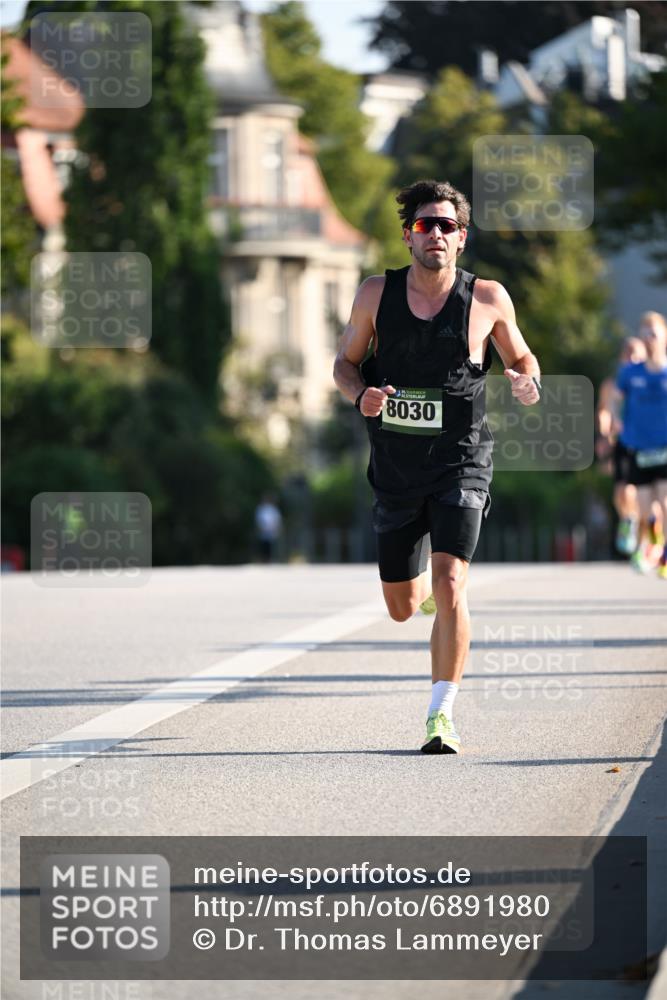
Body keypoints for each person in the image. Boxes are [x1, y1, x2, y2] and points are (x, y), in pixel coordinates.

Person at [333, 179, 540, 754]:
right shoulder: (376, 294)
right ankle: (419, 585)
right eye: (426, 225)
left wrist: (527, 379)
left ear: (462, 237)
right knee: (402, 608)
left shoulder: (488, 299)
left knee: (452, 584)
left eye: (447, 226)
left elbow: (520, 355)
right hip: (396, 471)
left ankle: (440, 715)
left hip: (461, 464)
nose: (437, 235)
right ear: (408, 235)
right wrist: (360, 396)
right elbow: (345, 364)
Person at [614, 311, 667, 577]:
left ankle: (665, 556)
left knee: (665, 502)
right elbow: (614, 397)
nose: (649, 339)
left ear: (664, 337)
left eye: (654, 333)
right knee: (646, 509)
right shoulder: (629, 373)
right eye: (645, 333)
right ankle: (654, 541)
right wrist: (614, 418)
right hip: (639, 447)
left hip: (665, 447)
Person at [596, 337, 646, 555]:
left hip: (649, 442)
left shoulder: (652, 381)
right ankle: (629, 520)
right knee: (622, 492)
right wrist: (605, 435)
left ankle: (649, 540)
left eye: (636, 354)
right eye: (628, 353)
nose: (632, 358)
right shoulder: (612, 384)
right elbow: (604, 411)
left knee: (649, 495)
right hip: (623, 442)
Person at [254, 494, 283, 563]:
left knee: (271, 545)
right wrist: (260, 527)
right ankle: (264, 559)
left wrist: (277, 528)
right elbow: (258, 519)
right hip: (263, 530)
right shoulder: (261, 509)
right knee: (263, 545)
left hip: (272, 530)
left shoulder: (273, 509)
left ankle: (271, 559)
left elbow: (277, 519)